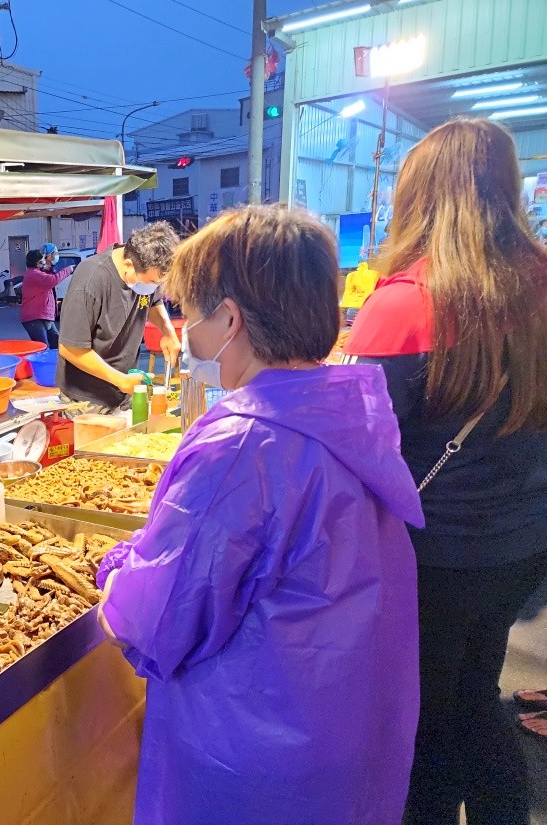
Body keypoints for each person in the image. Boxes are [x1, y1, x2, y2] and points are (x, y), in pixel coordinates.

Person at [97, 205, 424, 825]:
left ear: (229, 318)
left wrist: (115, 567)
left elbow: (157, 616)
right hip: (345, 729)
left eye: (192, 315)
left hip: (255, 755)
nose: (187, 334)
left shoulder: (244, 444)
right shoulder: (349, 414)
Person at [341, 118, 547, 825]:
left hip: (433, 558)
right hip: (524, 545)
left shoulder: (399, 306)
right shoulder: (541, 283)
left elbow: (360, 453)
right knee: (474, 690)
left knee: (425, 712)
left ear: (420, 196)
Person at [57, 222, 181, 412]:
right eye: (152, 282)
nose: (153, 288)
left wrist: (167, 330)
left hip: (124, 391)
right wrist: (120, 380)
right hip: (87, 399)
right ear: (128, 264)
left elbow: (153, 302)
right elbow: (69, 348)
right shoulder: (91, 280)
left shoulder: (144, 270)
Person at [20, 249, 73, 348]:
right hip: (35, 318)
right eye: (43, 259)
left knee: (56, 344)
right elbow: (53, 280)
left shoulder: (37, 273)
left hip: (43, 316)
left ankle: (59, 363)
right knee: (44, 348)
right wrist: (68, 269)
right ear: (38, 262)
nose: (45, 261)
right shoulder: (34, 274)